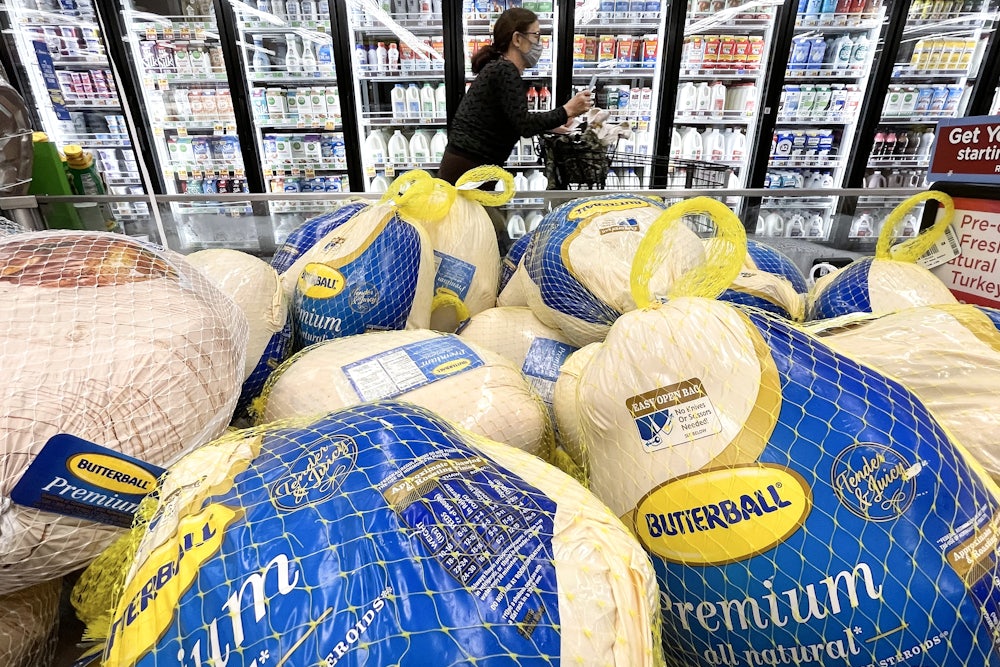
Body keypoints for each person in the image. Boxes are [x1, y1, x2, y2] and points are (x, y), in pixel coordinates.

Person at [437, 7, 593, 184]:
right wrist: (567, 110)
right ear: (517, 39)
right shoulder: (505, 70)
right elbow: (524, 125)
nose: (539, 44)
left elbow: (513, 120)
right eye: (536, 36)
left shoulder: (500, 68)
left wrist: (553, 125)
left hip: (469, 164)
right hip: (468, 165)